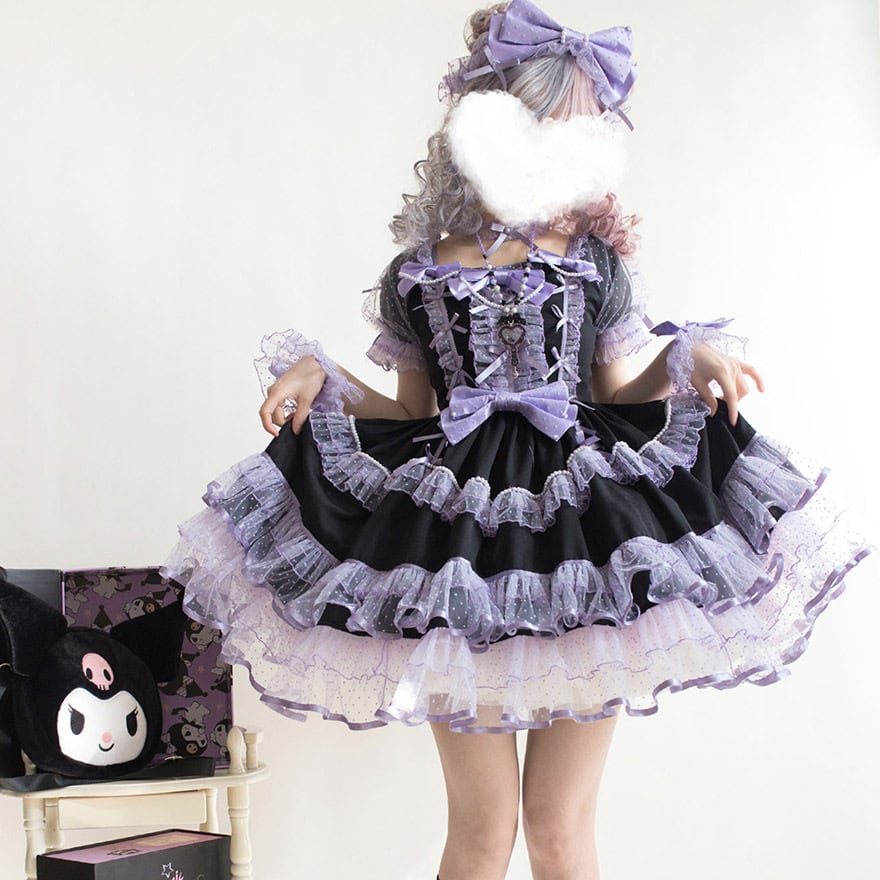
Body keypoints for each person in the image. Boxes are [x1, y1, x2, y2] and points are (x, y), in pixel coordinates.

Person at [162, 2, 872, 879]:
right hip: (455, 545)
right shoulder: (419, 271)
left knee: (558, 826)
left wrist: (683, 358)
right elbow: (411, 414)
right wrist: (326, 379)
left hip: (586, 537)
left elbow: (613, 395)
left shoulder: (595, 262)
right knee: (481, 827)